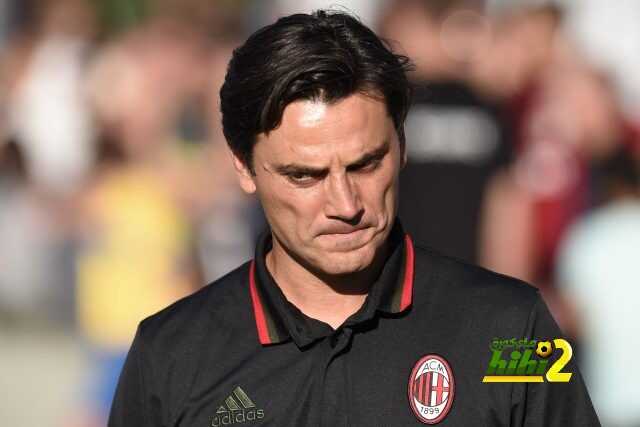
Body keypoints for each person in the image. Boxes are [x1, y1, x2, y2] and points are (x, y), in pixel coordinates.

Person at [109, 10, 600, 426]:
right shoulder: (170, 354)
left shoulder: (515, 330)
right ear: (244, 167)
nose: (345, 204)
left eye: (366, 164)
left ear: (402, 147)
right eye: (305, 176)